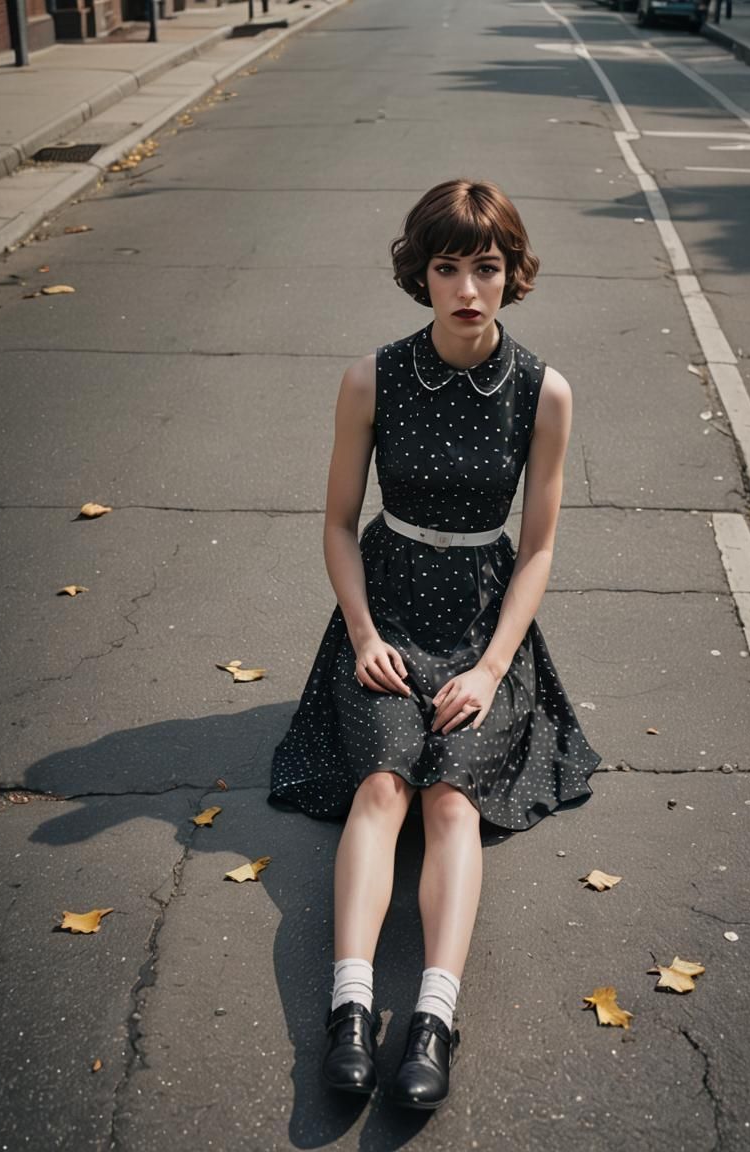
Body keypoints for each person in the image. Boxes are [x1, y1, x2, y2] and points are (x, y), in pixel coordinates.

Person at [268, 178, 601, 1110]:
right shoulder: (371, 377)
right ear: (421, 274)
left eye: (484, 268)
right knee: (382, 786)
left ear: (511, 275)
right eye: (447, 267)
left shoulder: (545, 391)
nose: (465, 288)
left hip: (483, 620)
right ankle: (348, 1007)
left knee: (451, 798)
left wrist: (495, 668)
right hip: (389, 604)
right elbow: (338, 524)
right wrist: (365, 633)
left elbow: (536, 547)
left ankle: (433, 1023)